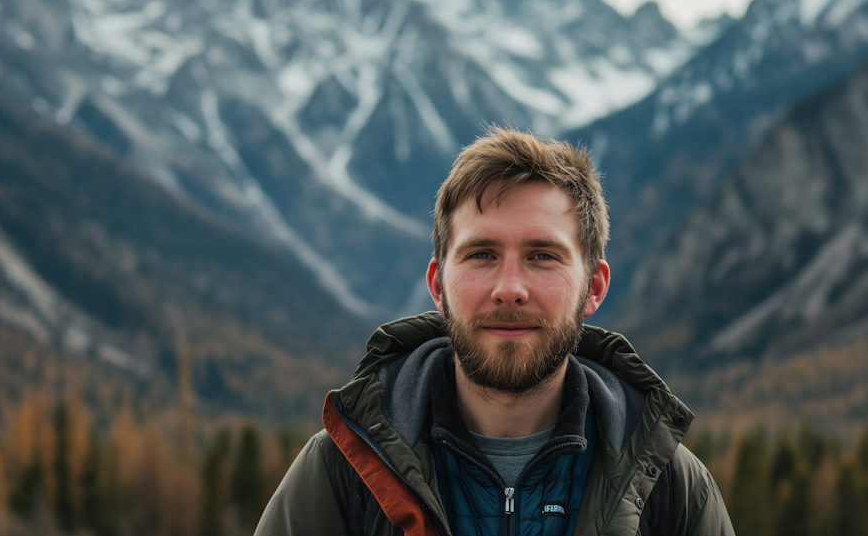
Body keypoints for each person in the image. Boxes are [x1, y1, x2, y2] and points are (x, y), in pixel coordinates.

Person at [255, 128, 734, 535]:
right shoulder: (346, 471)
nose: (510, 289)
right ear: (438, 286)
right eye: (481, 254)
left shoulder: (669, 488)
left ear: (594, 287)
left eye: (542, 256)